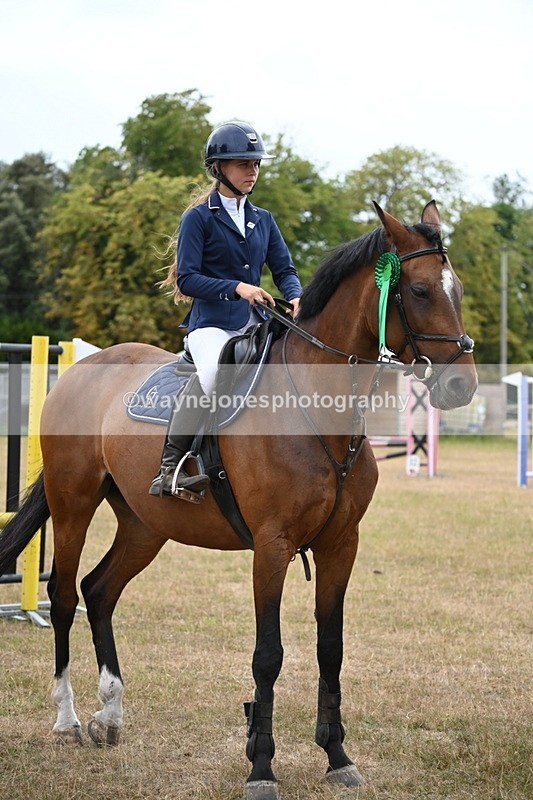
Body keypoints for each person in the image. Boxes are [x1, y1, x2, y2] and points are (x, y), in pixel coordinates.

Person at [149, 121, 303, 499]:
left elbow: (284, 270)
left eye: (256, 164)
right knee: (214, 374)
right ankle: (170, 468)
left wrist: (297, 296)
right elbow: (187, 279)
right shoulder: (198, 218)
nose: (253, 171)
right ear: (218, 168)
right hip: (211, 325)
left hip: (256, 323)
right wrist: (236, 287)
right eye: (243, 164)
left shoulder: (263, 219)